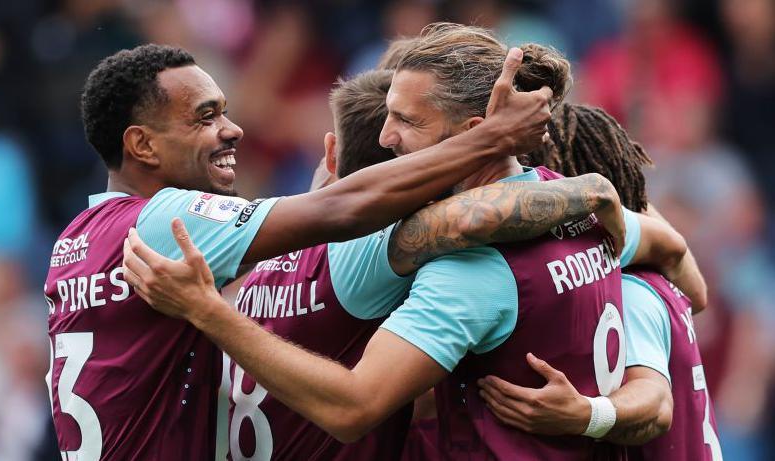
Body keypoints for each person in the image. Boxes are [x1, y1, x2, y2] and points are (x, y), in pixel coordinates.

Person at [122, 24, 697, 460]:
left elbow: (354, 407)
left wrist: (206, 311)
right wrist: (592, 415)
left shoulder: (466, 268)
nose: (386, 135)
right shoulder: (586, 215)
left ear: (475, 137)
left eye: (407, 120)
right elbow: (678, 266)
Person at [44, 42, 555, 460]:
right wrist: (502, 145)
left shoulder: (77, 239)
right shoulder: (162, 222)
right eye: (204, 117)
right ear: (143, 147)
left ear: (331, 154)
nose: (233, 129)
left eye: (224, 111)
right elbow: (343, 211)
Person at [225, 60, 624, 459]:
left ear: (331, 153)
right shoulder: (576, 215)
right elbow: (461, 221)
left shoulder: (266, 251)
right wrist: (595, 190)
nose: (387, 135)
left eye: (406, 120)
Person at [478, 103, 721, 460]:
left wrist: (585, 414)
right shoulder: (645, 272)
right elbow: (697, 294)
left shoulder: (628, 290)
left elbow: (656, 405)